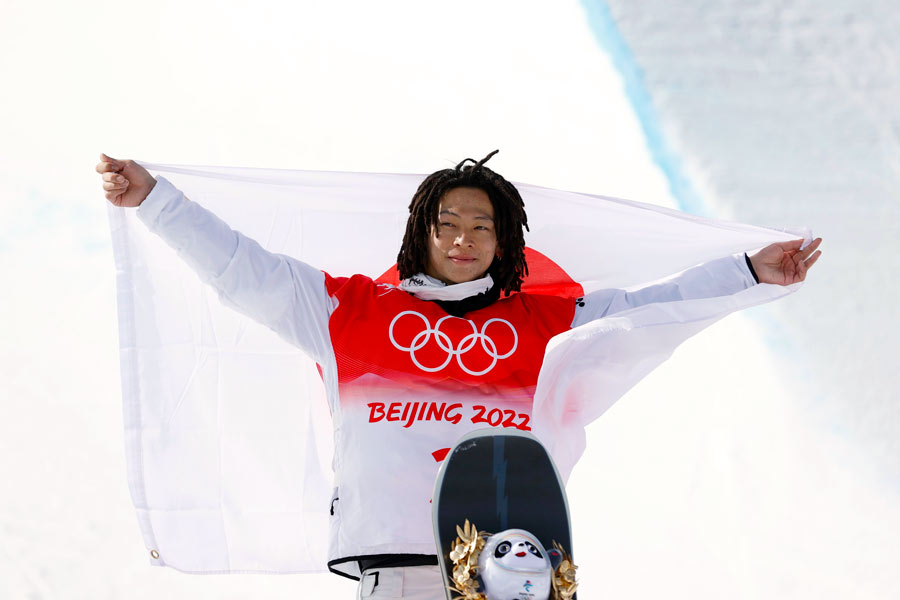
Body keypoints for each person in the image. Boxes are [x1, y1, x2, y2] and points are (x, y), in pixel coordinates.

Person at [97, 151, 821, 600]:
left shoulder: (550, 323)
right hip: (394, 562)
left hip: (507, 569)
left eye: (481, 226)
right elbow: (239, 268)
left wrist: (750, 273)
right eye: (447, 223)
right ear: (422, 231)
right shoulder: (346, 310)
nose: (462, 239)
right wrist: (155, 200)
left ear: (504, 240)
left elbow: (650, 311)